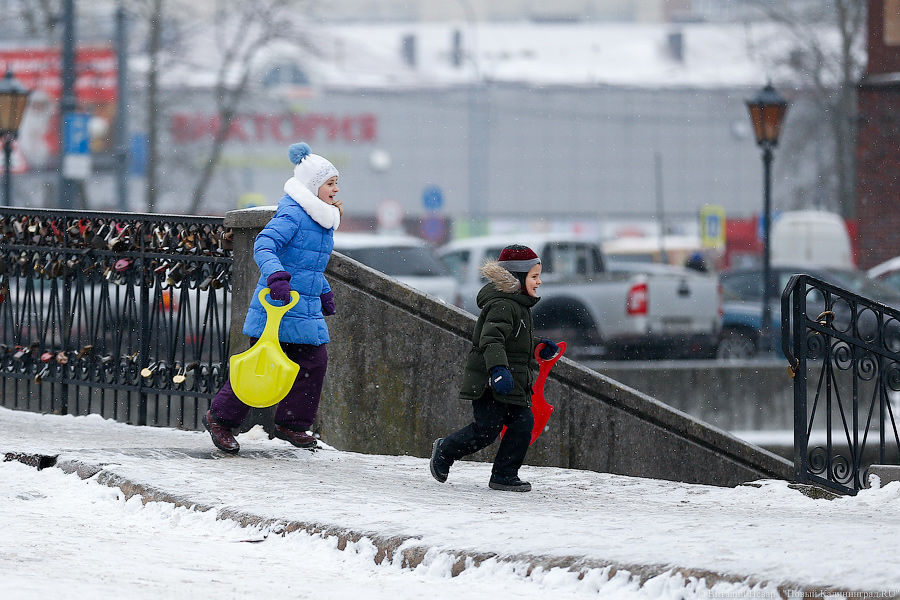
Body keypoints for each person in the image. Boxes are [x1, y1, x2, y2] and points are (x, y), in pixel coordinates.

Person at [203, 142, 343, 453]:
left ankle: (291, 424)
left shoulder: (322, 221)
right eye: (329, 184)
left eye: (336, 184)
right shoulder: (293, 213)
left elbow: (309, 265)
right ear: (313, 186)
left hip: (303, 308)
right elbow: (264, 245)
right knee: (260, 366)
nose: (335, 190)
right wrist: (276, 277)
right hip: (277, 304)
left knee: (314, 362)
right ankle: (220, 419)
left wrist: (323, 291)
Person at [429, 244, 559, 492]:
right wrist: (498, 370)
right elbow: (492, 340)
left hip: (515, 382)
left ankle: (504, 474)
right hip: (493, 381)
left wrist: (538, 346)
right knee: (486, 431)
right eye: (534, 276)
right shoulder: (503, 305)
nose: (539, 281)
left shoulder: (520, 306)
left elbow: (515, 341)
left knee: (522, 425)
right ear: (518, 278)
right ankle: (445, 450)